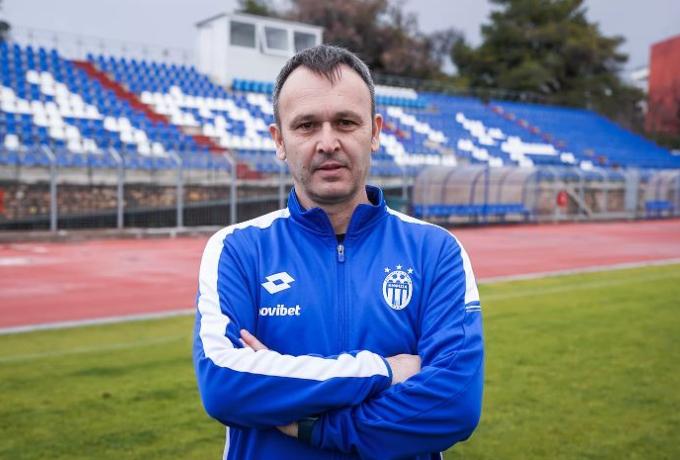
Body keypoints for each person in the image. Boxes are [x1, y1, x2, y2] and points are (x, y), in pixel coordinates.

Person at [193, 44, 484, 460]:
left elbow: (453, 404)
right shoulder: (238, 250)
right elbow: (224, 386)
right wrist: (385, 370)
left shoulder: (435, 251)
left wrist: (315, 426)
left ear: (375, 132)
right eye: (306, 125)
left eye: (345, 122)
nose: (327, 142)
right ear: (279, 140)